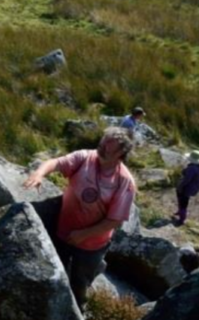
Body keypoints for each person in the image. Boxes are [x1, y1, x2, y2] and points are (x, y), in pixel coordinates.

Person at [23, 127, 137, 308]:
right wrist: (39, 173)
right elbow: (56, 162)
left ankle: (77, 313)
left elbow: (115, 220)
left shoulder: (124, 181)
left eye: (108, 148)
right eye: (101, 144)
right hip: (63, 232)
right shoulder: (85, 157)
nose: (102, 149)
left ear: (121, 153)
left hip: (92, 246)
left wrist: (84, 234)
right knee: (53, 273)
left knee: (79, 284)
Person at [172, 150, 199, 226]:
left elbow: (186, 180)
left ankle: (182, 219)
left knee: (183, 202)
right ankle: (180, 212)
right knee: (183, 200)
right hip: (194, 188)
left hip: (186, 188)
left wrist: (180, 186)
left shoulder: (192, 168)